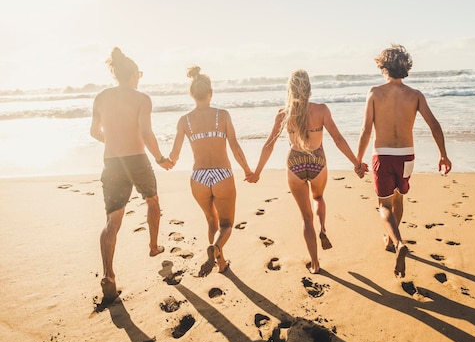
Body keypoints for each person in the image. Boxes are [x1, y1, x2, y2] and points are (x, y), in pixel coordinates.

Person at [249, 69, 367, 274]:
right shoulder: (321, 110)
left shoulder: (283, 114)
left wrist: (257, 172)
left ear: (290, 90)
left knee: (305, 218)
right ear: (309, 89)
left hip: (294, 163)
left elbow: (269, 145)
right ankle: (322, 228)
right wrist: (356, 163)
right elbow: (339, 140)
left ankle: (315, 263)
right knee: (319, 197)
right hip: (317, 161)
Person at [356, 44, 452, 278]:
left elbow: (366, 130)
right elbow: (435, 125)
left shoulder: (375, 93)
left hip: (383, 154)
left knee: (384, 205)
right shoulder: (415, 95)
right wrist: (443, 154)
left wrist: (358, 160)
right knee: (398, 198)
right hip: (406, 156)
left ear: (383, 66)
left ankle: (398, 243)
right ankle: (390, 240)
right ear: (405, 67)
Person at [91, 47, 173, 304]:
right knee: (153, 201)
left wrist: (112, 140)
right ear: (134, 75)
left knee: (112, 221)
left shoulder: (101, 97)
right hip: (137, 160)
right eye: (139, 74)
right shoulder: (141, 99)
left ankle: (108, 273)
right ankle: (153, 246)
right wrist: (161, 158)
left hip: (112, 163)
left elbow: (94, 131)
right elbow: (146, 134)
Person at [168, 66, 255, 276]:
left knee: (211, 221)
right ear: (211, 93)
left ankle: (221, 262)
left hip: (198, 177)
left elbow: (174, 155)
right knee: (226, 225)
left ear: (191, 94)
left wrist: (165, 162)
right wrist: (247, 170)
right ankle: (216, 249)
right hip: (222, 175)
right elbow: (234, 147)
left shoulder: (184, 121)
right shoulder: (222, 115)